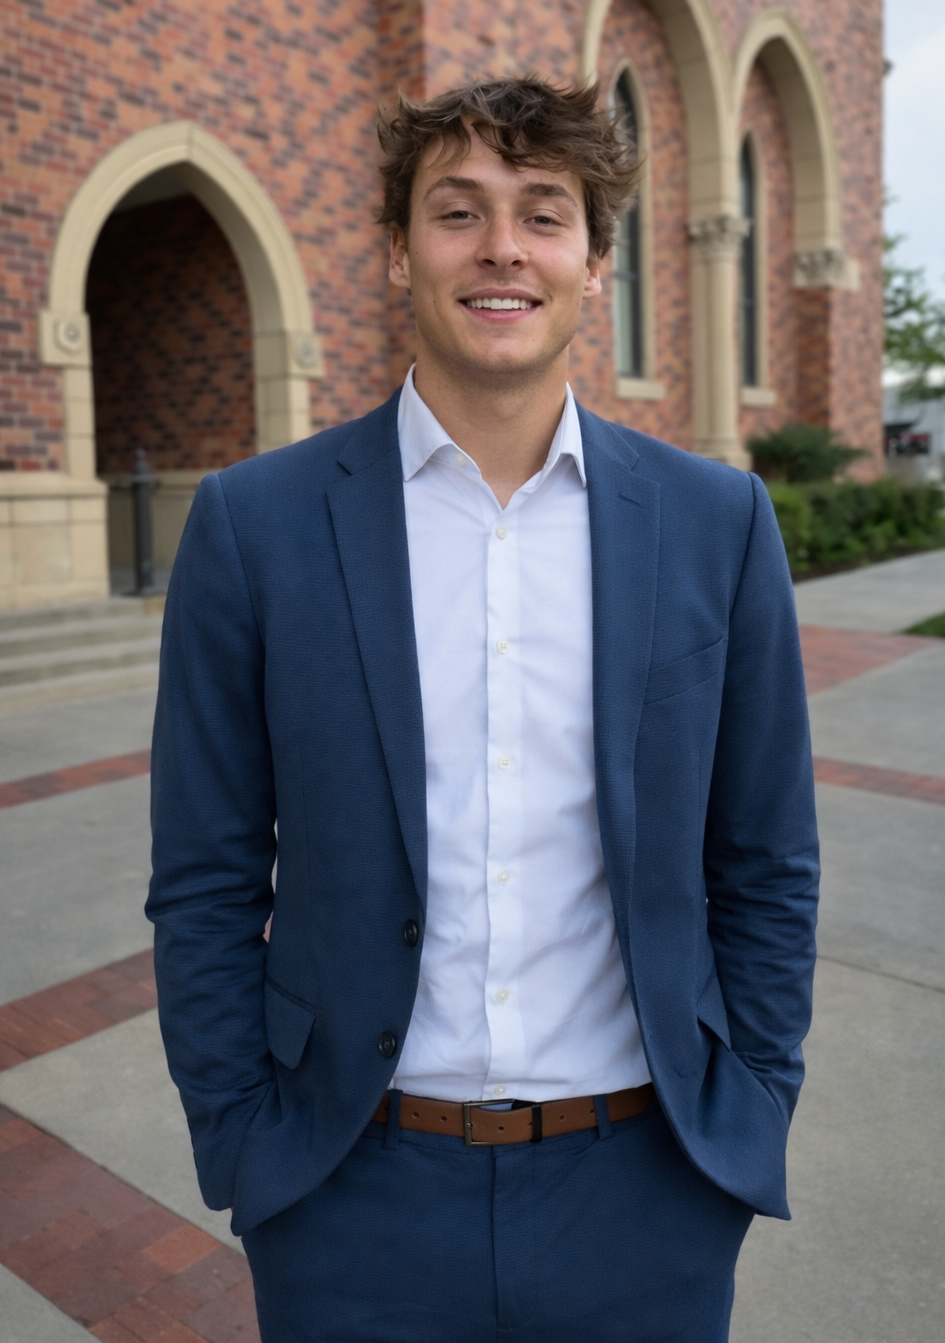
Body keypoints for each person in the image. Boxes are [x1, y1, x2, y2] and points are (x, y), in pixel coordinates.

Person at [147, 76, 819, 1343]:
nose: (501, 247)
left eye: (543, 214)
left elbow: (767, 855)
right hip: (349, 1189)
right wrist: (240, 1133)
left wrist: (756, 1096)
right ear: (399, 251)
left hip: (645, 1186)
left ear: (593, 261)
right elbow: (205, 874)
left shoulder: (713, 524)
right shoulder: (256, 525)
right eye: (457, 213)